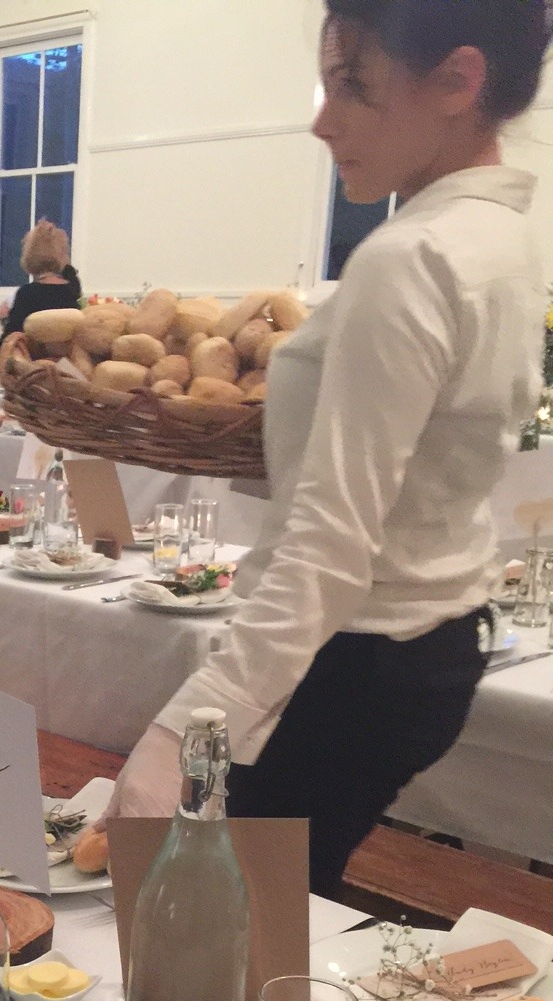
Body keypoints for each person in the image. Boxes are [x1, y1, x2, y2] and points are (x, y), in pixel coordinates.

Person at [103, 0, 547, 899]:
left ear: (458, 81)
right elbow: (422, 456)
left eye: (352, 86)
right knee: (273, 908)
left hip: (350, 659)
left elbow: (331, 544)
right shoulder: (504, 236)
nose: (322, 121)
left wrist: (182, 733)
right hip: (434, 647)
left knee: (221, 926)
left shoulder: (411, 257)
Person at [0, 220, 82, 342]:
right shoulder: (72, 290)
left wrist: (5, 320)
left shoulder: (27, 293)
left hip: (35, 354)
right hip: (68, 353)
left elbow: (11, 339)